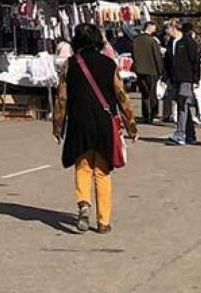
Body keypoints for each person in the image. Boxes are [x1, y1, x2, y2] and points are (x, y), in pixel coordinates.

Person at [52, 23, 137, 234]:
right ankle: (103, 221)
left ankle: (83, 203)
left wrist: (58, 126)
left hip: (79, 121)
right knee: (102, 171)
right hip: (103, 123)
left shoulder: (70, 65)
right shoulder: (109, 64)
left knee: (82, 166)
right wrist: (131, 125)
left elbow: (61, 98)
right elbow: (121, 96)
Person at [165, 22, 200, 146]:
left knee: (182, 103)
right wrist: (166, 78)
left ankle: (180, 134)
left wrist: (195, 79)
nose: (166, 30)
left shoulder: (188, 42)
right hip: (175, 79)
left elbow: (195, 61)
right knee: (182, 105)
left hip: (186, 78)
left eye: (167, 28)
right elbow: (168, 62)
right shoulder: (170, 42)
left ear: (173, 28)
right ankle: (190, 134)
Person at [131, 22, 165, 124]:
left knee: (144, 93)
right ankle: (153, 114)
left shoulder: (135, 40)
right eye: (154, 28)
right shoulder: (152, 41)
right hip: (152, 70)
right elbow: (157, 57)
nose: (155, 30)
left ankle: (145, 115)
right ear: (149, 28)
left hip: (140, 70)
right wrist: (161, 70)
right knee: (153, 93)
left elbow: (133, 54)